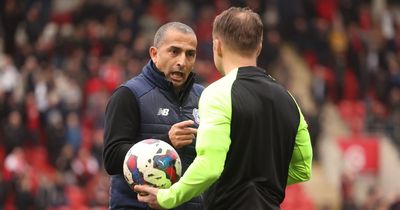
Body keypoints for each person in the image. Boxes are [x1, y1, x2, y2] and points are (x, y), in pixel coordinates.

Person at [134, 7, 313, 210]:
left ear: (217, 46)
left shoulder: (218, 93)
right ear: (259, 46)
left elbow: (210, 167)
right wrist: (261, 182)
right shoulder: (289, 99)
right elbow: (302, 168)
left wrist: (168, 197)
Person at [103, 22, 204, 210]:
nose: (182, 61)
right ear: (154, 54)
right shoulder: (128, 94)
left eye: (190, 54)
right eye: (174, 51)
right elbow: (111, 158)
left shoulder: (204, 98)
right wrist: (166, 143)